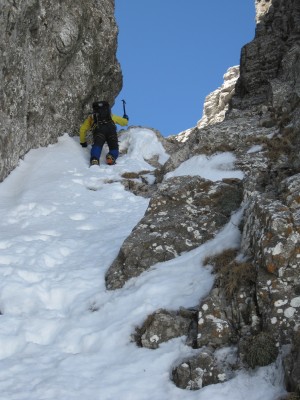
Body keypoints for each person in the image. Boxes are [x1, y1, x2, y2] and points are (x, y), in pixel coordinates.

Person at [79, 100, 129, 166]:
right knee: (114, 148)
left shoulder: (91, 117)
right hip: (111, 130)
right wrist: (126, 118)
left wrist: (83, 142)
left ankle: (95, 159)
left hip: (99, 130)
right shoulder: (110, 116)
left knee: (97, 145)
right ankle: (111, 156)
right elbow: (124, 122)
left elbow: (82, 129)